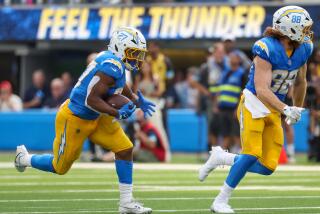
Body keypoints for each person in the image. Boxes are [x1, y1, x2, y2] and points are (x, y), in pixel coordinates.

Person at [14, 27, 154, 214]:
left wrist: (136, 100)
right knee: (60, 166)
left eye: (138, 54)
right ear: (120, 48)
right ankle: (24, 158)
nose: (137, 58)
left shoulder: (115, 63)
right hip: (76, 117)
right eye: (133, 53)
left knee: (124, 148)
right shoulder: (109, 67)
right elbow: (91, 99)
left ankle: (126, 203)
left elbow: (120, 83)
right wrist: (117, 113)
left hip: (96, 115)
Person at [199, 6, 313, 213]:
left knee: (269, 167)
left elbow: (300, 82)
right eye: (303, 28)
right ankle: (220, 201)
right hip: (253, 103)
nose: (307, 32)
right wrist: (286, 108)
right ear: (290, 29)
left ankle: (222, 158)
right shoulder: (266, 47)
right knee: (251, 154)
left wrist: (296, 106)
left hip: (275, 108)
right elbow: (261, 89)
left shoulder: (304, 48)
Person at [210, 52, 246, 151]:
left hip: (233, 108)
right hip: (222, 107)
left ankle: (239, 151)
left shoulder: (242, 73)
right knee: (220, 130)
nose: (232, 59)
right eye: (230, 58)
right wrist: (215, 105)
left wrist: (238, 108)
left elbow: (243, 92)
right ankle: (219, 153)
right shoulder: (225, 72)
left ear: (239, 60)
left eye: (234, 57)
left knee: (235, 132)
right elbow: (219, 90)